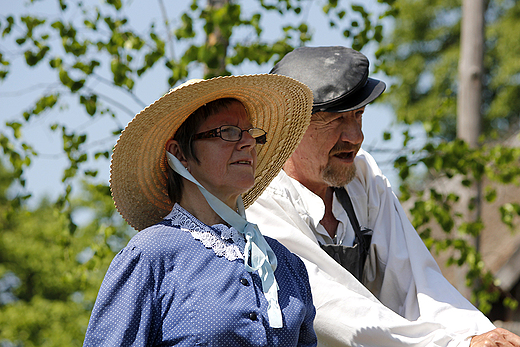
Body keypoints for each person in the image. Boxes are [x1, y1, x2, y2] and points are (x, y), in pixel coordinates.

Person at [247, 46, 520, 347]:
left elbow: (415, 282)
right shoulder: (257, 199)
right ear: (290, 125)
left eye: (359, 115)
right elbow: (331, 308)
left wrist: (478, 334)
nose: (355, 136)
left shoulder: (363, 177)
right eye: (336, 119)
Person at [83, 74, 317, 346]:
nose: (248, 143)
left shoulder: (285, 264)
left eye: (251, 133)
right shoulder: (151, 257)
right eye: (228, 132)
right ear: (179, 153)